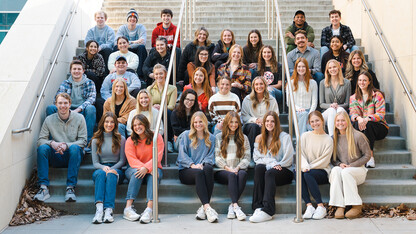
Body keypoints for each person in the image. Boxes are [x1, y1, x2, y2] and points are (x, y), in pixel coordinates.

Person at [34, 93, 87, 202]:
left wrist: (66, 145)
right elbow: (40, 140)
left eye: (65, 103)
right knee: (42, 148)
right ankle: (43, 188)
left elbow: (83, 141)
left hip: (73, 155)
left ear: (70, 104)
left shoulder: (80, 118)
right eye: (60, 103)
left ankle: (70, 188)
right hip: (56, 155)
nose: (63, 106)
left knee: (75, 148)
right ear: (56, 105)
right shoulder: (49, 119)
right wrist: (53, 143)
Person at [250, 111, 294, 223]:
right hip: (271, 169)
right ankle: (257, 207)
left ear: (277, 123)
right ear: (264, 123)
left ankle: (268, 211)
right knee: (259, 168)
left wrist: (277, 165)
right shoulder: (259, 138)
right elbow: (256, 158)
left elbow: (289, 159)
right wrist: (272, 163)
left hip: (285, 170)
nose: (269, 123)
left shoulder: (285, 137)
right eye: (267, 121)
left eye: (272, 121)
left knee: (269, 173)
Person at [177, 112, 218, 222]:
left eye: (200, 122)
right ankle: (207, 207)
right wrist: (193, 165)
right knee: (200, 172)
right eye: (195, 122)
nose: (198, 124)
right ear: (192, 123)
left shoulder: (212, 138)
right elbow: (182, 155)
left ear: (205, 122)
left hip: (201, 168)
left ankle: (204, 208)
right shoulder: (186, 135)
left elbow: (210, 156)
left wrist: (202, 164)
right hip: (186, 171)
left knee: (208, 168)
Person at [329, 111, 371, 219]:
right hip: (344, 169)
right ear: (335, 123)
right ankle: (340, 206)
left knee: (346, 172)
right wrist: (339, 164)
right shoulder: (334, 138)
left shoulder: (358, 136)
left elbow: (367, 156)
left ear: (348, 121)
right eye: (338, 121)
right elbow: (333, 159)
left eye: (343, 120)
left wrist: (352, 165)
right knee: (335, 170)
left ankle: (356, 206)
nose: (340, 123)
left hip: (358, 171)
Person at [123, 114, 164, 223]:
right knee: (137, 173)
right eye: (135, 125)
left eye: (140, 124)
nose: (137, 127)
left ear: (145, 124)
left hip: (153, 167)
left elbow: (158, 155)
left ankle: (149, 209)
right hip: (134, 168)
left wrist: (147, 168)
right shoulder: (130, 140)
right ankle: (128, 208)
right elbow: (131, 160)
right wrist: (144, 168)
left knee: (154, 174)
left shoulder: (156, 137)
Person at [46, 60, 96, 145]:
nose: (76, 71)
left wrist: (78, 109)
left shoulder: (89, 83)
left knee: (91, 108)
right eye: (74, 69)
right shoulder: (65, 83)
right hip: (66, 109)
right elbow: (57, 99)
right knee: (50, 108)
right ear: (71, 71)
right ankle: (52, 141)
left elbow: (92, 99)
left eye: (79, 69)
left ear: (83, 71)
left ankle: (86, 142)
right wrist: (66, 109)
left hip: (82, 110)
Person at [91, 112, 126, 224]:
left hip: (117, 169)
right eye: (106, 122)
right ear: (102, 123)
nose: (109, 124)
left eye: (112, 122)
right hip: (100, 168)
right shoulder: (96, 140)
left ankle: (109, 210)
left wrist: (112, 169)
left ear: (115, 124)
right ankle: (99, 209)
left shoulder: (121, 139)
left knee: (111, 174)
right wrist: (104, 168)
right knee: (101, 174)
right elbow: (95, 163)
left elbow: (122, 161)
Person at [214, 111, 250, 221]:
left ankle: (233, 206)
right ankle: (236, 206)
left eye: (236, 122)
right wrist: (228, 168)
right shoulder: (219, 137)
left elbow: (247, 158)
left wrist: (238, 167)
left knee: (243, 174)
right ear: (226, 123)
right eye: (231, 122)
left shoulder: (244, 138)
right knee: (232, 176)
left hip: (237, 169)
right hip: (222, 171)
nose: (233, 125)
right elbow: (217, 157)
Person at [350, 71, 388, 168]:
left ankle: (370, 157)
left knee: (368, 125)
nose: (361, 82)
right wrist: (359, 118)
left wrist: (367, 118)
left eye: (364, 80)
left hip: (379, 128)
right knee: (355, 124)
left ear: (369, 82)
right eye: (360, 80)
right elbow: (352, 113)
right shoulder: (353, 98)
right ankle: (357, 156)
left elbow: (381, 114)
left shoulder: (377, 95)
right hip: (362, 126)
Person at [300, 111, 333, 220]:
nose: (315, 123)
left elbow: (325, 160)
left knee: (307, 174)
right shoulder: (305, 136)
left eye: (317, 120)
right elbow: (301, 154)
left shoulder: (328, 139)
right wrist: (305, 166)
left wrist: (308, 167)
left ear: (322, 121)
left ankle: (320, 206)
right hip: (307, 169)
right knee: (299, 173)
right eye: (312, 122)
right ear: (309, 123)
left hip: (322, 170)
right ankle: (309, 206)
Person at [242, 76, 279, 156]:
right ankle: (250, 155)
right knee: (254, 127)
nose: (259, 86)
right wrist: (256, 120)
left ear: (265, 85)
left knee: (266, 128)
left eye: (261, 84)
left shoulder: (271, 99)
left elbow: (276, 115)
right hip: (250, 126)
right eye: (256, 84)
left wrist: (265, 121)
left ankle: (265, 155)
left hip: (266, 125)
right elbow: (244, 116)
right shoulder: (247, 99)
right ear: (253, 86)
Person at [147, 64, 178, 152]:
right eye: (156, 74)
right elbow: (147, 104)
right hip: (153, 112)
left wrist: (161, 107)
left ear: (165, 74)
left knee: (167, 112)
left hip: (166, 112)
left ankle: (168, 141)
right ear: (154, 75)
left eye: (161, 73)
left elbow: (171, 106)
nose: (159, 76)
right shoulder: (150, 89)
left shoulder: (172, 88)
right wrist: (153, 107)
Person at [319, 59, 351, 136]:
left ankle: (340, 135)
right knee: (331, 110)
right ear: (327, 70)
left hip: (341, 111)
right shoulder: (322, 83)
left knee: (339, 109)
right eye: (330, 68)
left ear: (338, 68)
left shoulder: (347, 83)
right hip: (327, 113)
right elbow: (321, 104)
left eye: (334, 67)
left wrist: (338, 106)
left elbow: (347, 103)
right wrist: (331, 106)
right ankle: (332, 137)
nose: (332, 69)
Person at [115, 8, 148, 79]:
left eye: (134, 17)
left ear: (137, 19)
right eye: (130, 17)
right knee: (115, 48)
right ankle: (116, 72)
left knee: (142, 48)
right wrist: (134, 41)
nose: (132, 19)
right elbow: (117, 42)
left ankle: (140, 75)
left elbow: (143, 42)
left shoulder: (141, 27)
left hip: (136, 49)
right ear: (127, 19)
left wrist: (127, 44)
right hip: (125, 49)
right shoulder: (122, 28)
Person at [288, 58, 318, 134]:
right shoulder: (291, 83)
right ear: (296, 68)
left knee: (310, 126)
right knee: (303, 115)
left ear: (307, 68)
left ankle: (301, 142)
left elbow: (314, 102)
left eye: (303, 67)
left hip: (309, 111)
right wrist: (298, 109)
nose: (301, 69)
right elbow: (289, 102)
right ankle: (301, 141)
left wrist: (310, 115)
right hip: (294, 112)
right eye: (299, 67)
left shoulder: (313, 83)